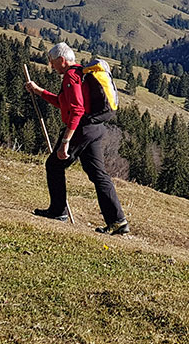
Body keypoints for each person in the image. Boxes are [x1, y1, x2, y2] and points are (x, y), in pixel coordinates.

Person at [24, 42, 129, 235]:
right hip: (95, 129)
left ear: (62, 60)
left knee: (54, 165)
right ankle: (118, 221)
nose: (51, 66)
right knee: (98, 174)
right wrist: (39, 91)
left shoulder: (71, 77)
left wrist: (65, 142)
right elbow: (64, 103)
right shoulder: (81, 74)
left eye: (53, 62)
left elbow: (77, 111)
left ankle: (58, 211)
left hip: (82, 129)